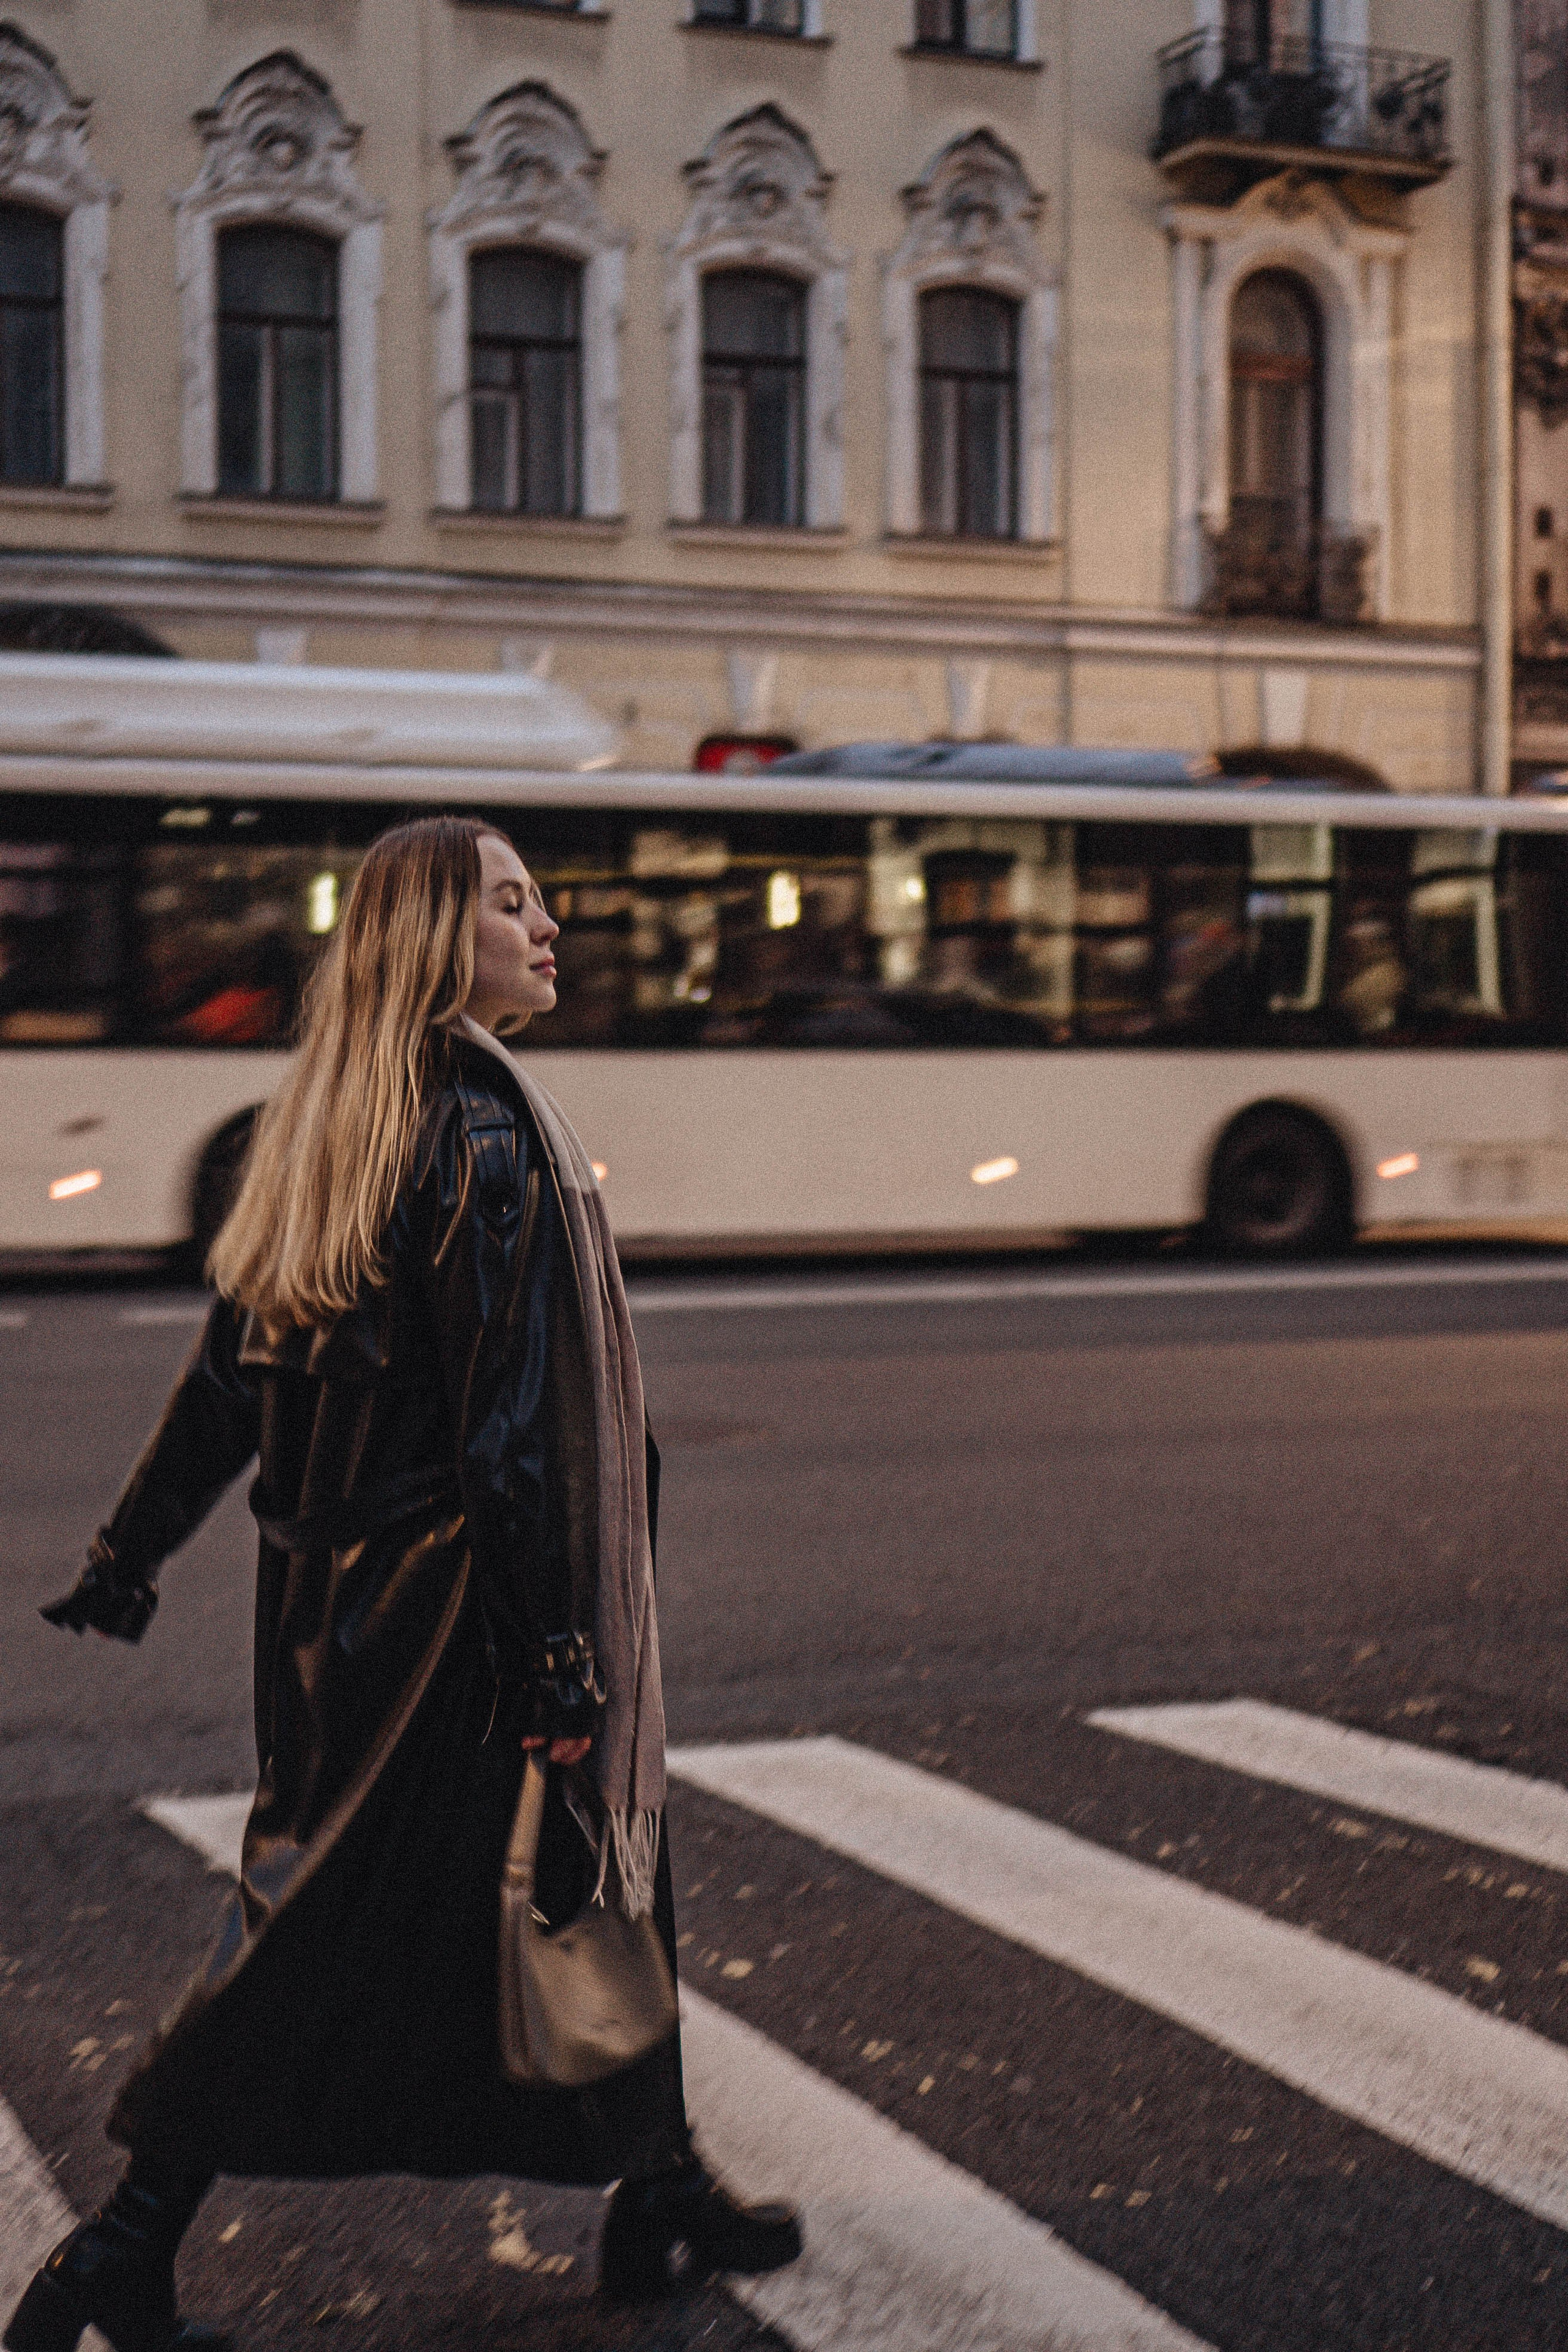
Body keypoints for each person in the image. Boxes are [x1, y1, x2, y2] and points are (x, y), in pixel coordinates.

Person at [6, 816, 801, 2352]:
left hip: (322, 1607)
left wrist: (131, 1550)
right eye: (513, 904)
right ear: (440, 942)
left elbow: (229, 1376)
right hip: (452, 1615)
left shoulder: (328, 1122)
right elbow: (506, 1432)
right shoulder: (488, 1135)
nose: (549, 925)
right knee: (338, 1921)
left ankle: (657, 2188)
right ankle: (119, 2249)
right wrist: (559, 1662)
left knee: (603, 1875)